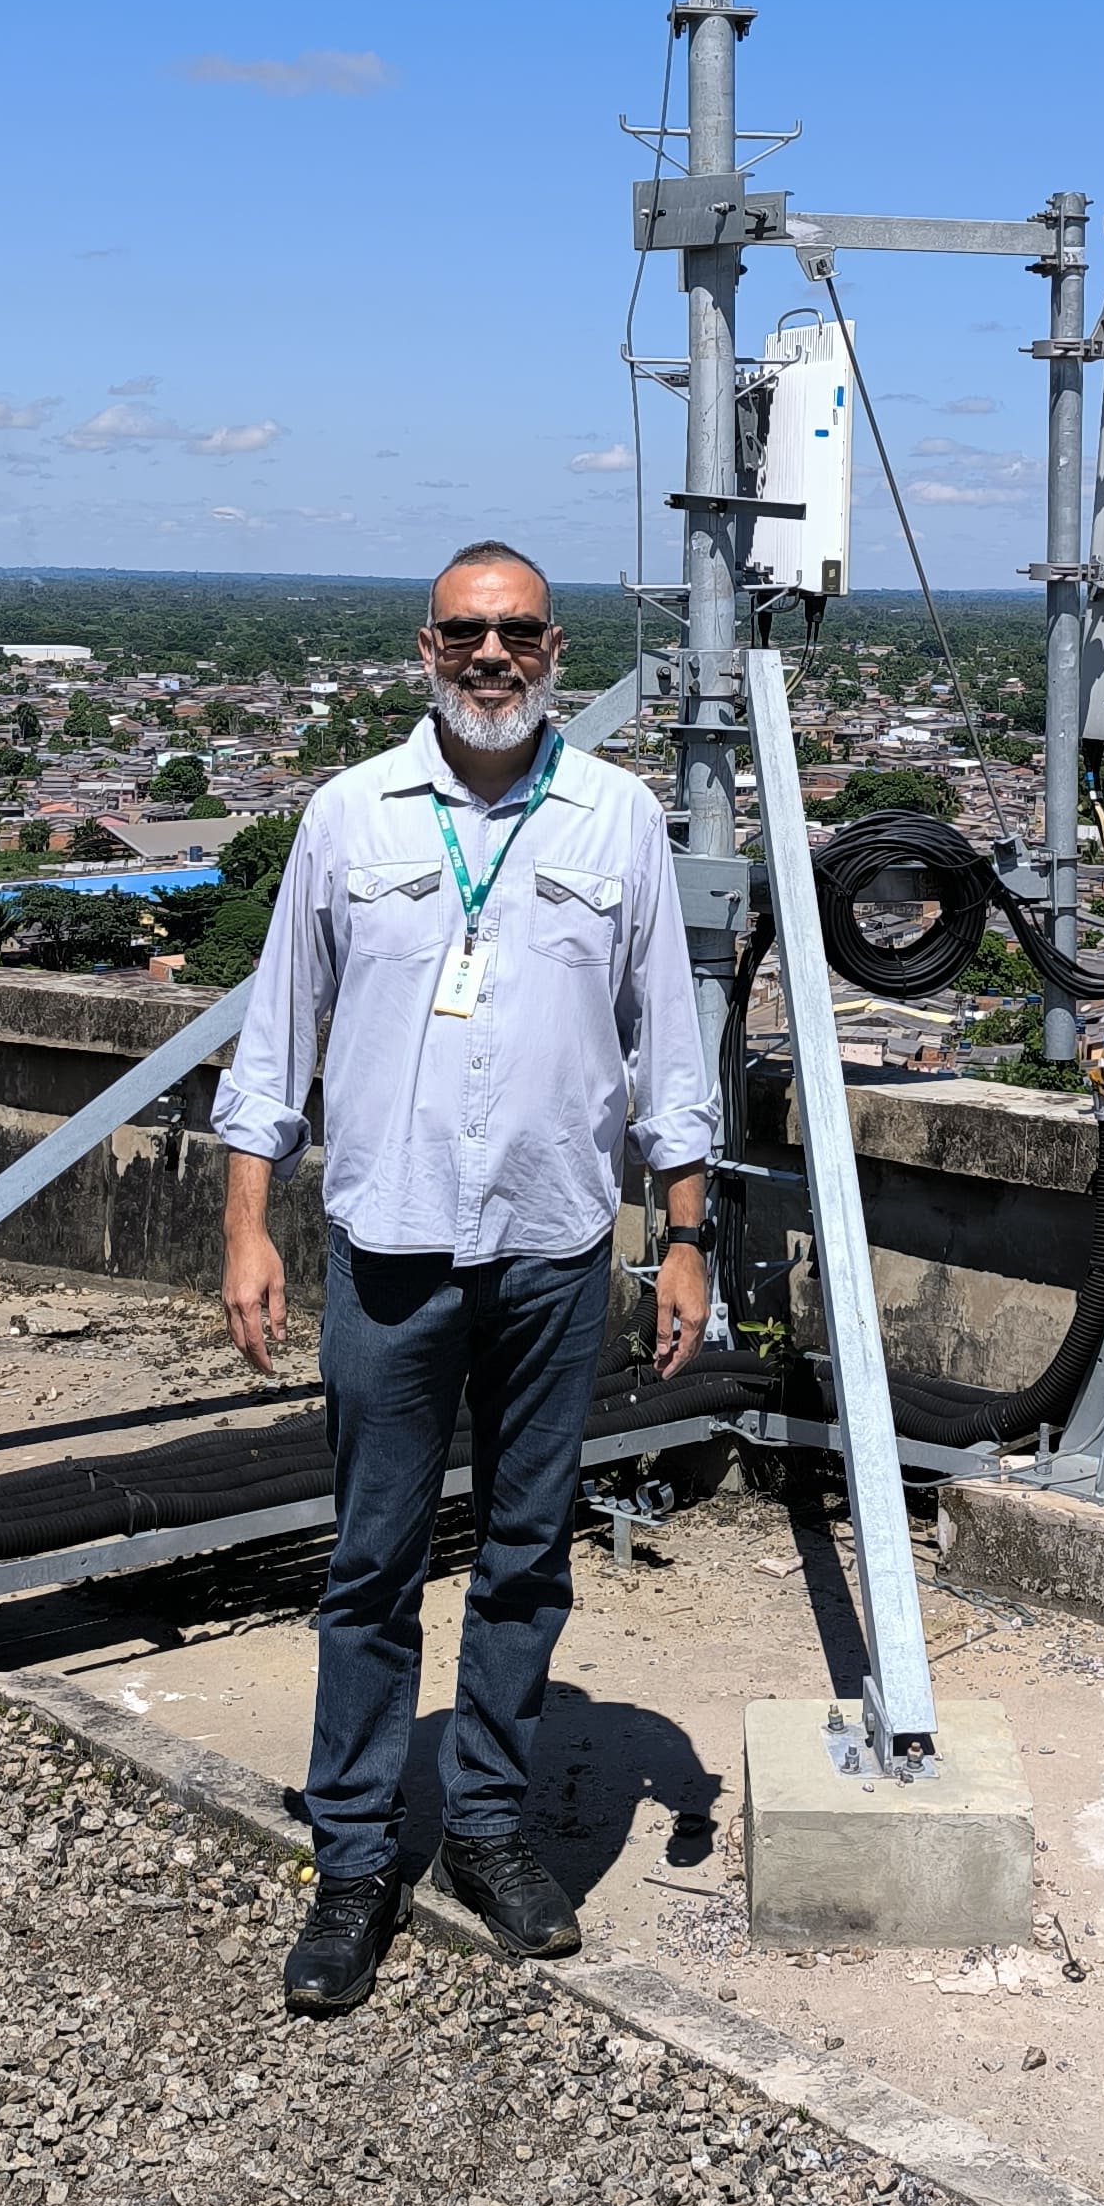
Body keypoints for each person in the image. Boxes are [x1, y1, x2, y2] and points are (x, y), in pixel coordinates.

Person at [214, 539, 715, 2015]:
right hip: (392, 1248)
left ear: (555, 649)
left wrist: (685, 1234)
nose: (492, 657)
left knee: (525, 1554)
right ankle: (356, 1857)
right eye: (463, 634)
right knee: (370, 1565)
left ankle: (486, 1828)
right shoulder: (350, 815)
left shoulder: (617, 817)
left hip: (556, 1247)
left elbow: (668, 1042)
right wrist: (247, 1226)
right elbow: (276, 1036)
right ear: (424, 649)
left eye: (518, 634)